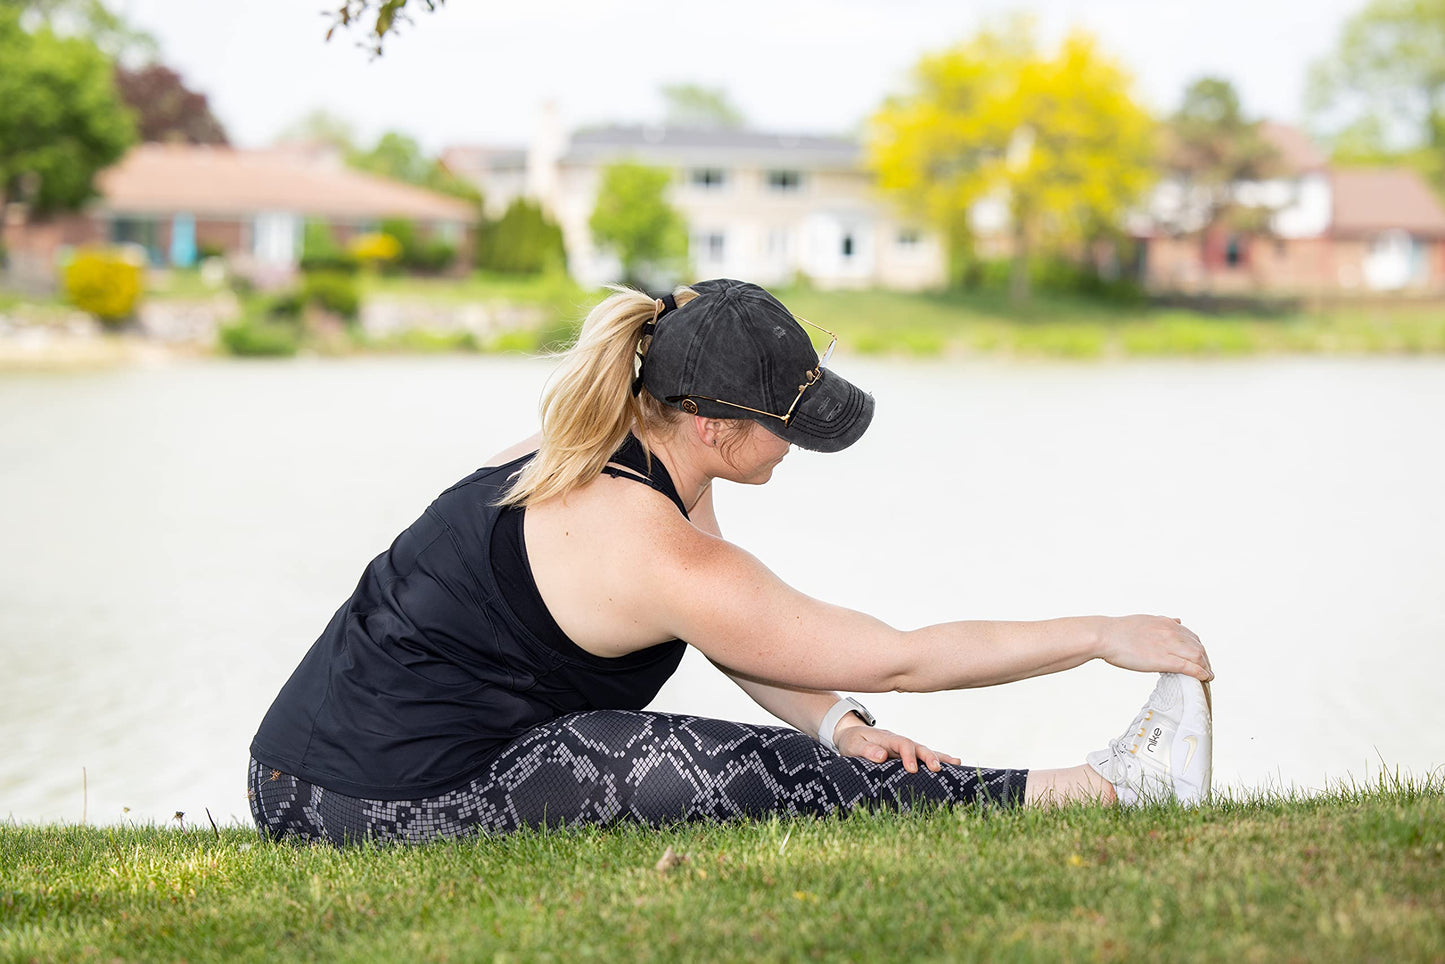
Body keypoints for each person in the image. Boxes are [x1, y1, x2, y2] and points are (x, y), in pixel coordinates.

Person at [248, 278, 1215, 846]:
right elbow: (895, 657)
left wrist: (835, 722)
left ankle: (1081, 786)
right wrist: (1100, 634)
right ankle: (1098, 792)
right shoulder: (648, 543)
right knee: (720, 768)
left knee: (779, 747)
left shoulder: (614, 441)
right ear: (712, 424)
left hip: (295, 766)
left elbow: (754, 645)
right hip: (357, 802)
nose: (793, 445)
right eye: (783, 426)